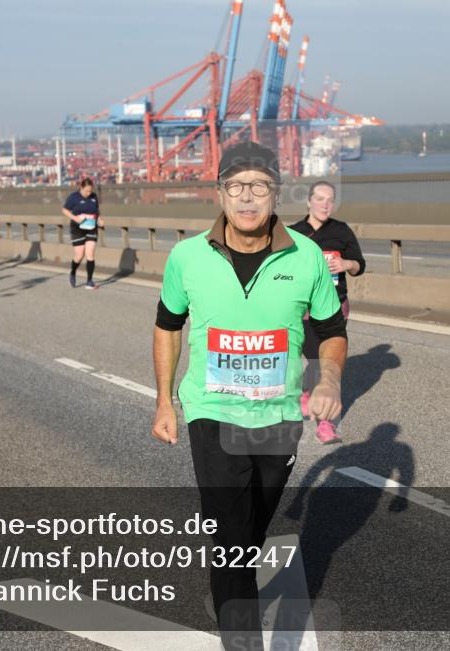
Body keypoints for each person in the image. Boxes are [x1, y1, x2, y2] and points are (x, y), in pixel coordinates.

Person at [152, 141, 347, 650]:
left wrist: (328, 380)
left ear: (276, 194)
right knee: (232, 543)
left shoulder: (306, 258)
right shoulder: (187, 256)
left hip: (278, 416)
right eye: (235, 186)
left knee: (250, 534)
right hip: (212, 414)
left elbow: (331, 329)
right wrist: (164, 401)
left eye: (258, 186)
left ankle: (227, 585)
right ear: (219, 193)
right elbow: (168, 325)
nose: (246, 197)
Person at [290, 180, 365, 444]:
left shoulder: (342, 231)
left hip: (334, 306)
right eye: (320, 199)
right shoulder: (294, 233)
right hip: (306, 309)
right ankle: (305, 394)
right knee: (314, 359)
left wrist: (346, 263)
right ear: (309, 201)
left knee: (328, 366)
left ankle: (326, 425)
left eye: (330, 200)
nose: (325, 204)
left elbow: (359, 265)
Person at [61, 177, 103, 289]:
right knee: (79, 256)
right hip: (77, 228)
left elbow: (97, 211)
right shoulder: (74, 197)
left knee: (90, 254)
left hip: (91, 227)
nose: (89, 193)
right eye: (86, 191)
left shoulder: (94, 197)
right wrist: (75, 218)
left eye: (90, 191)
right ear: (81, 188)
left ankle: (89, 281)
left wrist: (100, 220)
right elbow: (64, 210)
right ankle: (73, 272)